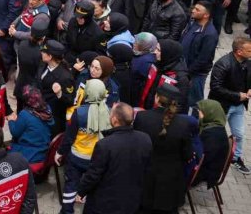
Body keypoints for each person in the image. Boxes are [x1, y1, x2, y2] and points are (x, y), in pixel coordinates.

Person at [75, 102, 152, 213]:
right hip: (132, 200)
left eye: (110, 114)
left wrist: (81, 192)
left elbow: (93, 174)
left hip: (106, 204)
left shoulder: (104, 145)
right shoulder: (145, 139)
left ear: (115, 120)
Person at [133, 82, 194, 214]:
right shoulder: (183, 124)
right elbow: (187, 154)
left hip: (145, 180)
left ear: (156, 98)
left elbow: (136, 146)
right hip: (170, 184)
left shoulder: (142, 118)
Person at [56, 79, 110, 214]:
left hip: (77, 157)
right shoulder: (108, 112)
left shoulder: (79, 112)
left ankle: (67, 211)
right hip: (96, 158)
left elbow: (69, 137)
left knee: (70, 186)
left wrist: (59, 152)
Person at [208, 36, 251, 174]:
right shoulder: (223, 64)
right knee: (212, 133)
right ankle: (208, 158)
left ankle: (235, 158)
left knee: (239, 134)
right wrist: (238, 95)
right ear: (239, 51)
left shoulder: (247, 63)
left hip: (238, 106)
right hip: (222, 106)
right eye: (249, 51)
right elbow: (216, 87)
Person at [180, 2, 218, 107]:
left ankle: (194, 122)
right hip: (184, 68)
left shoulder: (210, 34)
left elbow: (203, 59)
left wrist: (188, 73)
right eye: (194, 8)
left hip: (196, 74)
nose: (193, 11)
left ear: (206, 15)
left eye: (197, 10)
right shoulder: (192, 23)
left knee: (194, 102)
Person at [8, 85, 55, 167]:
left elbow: (15, 132)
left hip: (31, 155)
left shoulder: (25, 114)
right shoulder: (47, 108)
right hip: (45, 151)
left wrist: (11, 120)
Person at [194, 99, 231, 189]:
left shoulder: (211, 135)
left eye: (200, 111)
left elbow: (201, 159)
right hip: (210, 169)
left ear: (209, 113)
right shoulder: (216, 127)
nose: (198, 113)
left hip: (205, 174)